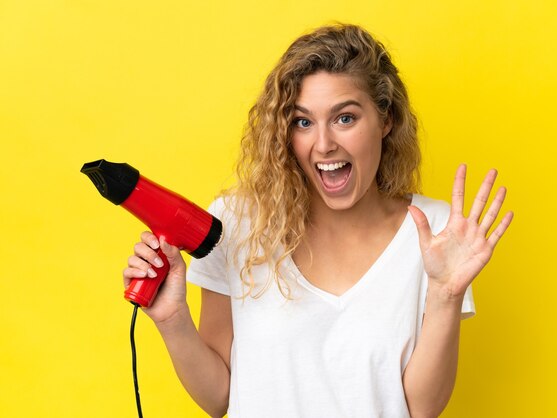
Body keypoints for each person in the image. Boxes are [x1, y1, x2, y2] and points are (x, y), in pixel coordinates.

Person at [123, 24, 513, 418]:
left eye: (345, 118)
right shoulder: (237, 223)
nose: (324, 144)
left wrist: (445, 296)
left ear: (386, 120)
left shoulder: (434, 231)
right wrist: (173, 319)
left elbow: (421, 407)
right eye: (303, 122)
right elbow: (217, 397)